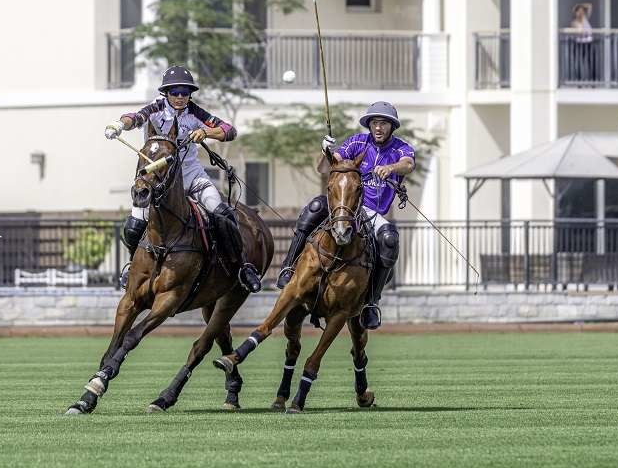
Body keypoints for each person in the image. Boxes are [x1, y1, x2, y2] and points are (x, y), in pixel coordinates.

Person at [105, 65, 262, 293]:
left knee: (223, 215)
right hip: (157, 183)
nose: (180, 97)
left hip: (192, 178)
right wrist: (119, 125)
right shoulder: (155, 109)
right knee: (133, 226)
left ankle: (242, 266)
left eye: (185, 92)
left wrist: (206, 132)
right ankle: (132, 265)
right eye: (175, 92)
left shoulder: (197, 114)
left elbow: (229, 130)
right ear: (166, 93)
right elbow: (134, 118)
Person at [275, 101, 415, 329]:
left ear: (392, 126)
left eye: (383, 123)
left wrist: (391, 168)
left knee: (390, 238)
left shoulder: (401, 149)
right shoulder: (356, 142)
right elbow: (324, 168)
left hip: (372, 213)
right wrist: (325, 152)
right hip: (343, 208)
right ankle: (289, 267)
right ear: (369, 125)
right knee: (314, 208)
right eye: (374, 123)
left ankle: (371, 303)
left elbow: (408, 165)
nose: (378, 127)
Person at [569, 2, 595, 83]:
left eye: (582, 11)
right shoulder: (574, 22)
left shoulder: (585, 19)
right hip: (579, 44)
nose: (581, 13)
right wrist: (576, 9)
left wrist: (580, 5)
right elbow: (579, 32)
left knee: (591, 63)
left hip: (589, 43)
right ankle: (579, 81)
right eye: (579, 11)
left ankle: (592, 81)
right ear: (575, 13)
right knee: (579, 63)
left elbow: (590, 6)